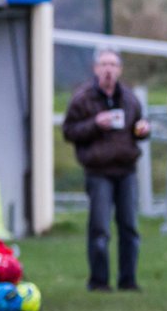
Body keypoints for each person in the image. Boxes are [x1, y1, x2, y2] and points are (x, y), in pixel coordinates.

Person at [62, 46, 151, 292]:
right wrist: (94, 124)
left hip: (126, 170)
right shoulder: (82, 98)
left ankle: (128, 279)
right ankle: (99, 280)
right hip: (98, 171)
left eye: (113, 64)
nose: (108, 69)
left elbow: (138, 128)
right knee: (100, 228)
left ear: (120, 69)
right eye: (104, 64)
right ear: (95, 68)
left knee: (130, 226)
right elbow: (69, 131)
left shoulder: (130, 99)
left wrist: (144, 130)